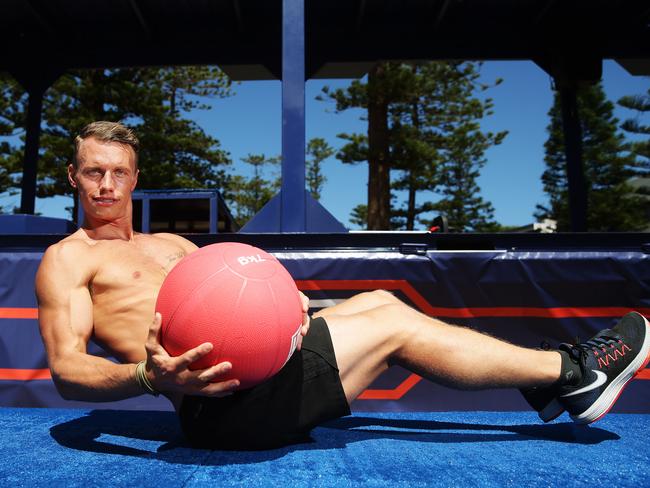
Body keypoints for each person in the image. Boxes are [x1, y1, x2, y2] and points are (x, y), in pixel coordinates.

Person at [36, 121, 650, 450]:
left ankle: (559, 385)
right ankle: (573, 376)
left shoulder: (174, 248)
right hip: (218, 414)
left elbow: (238, 301)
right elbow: (67, 371)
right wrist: (152, 378)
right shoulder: (68, 260)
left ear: (136, 177)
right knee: (390, 323)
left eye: (119, 172)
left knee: (378, 302)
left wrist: (289, 308)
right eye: (94, 172)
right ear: (73, 177)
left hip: (264, 381)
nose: (107, 186)